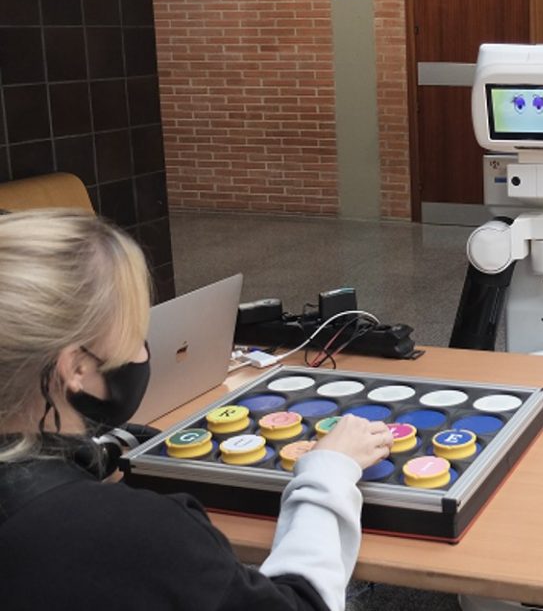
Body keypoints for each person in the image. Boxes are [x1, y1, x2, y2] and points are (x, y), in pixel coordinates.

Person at [0, 209, 393, 611]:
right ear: (75, 368)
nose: (143, 351)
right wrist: (328, 472)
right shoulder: (135, 533)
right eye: (134, 333)